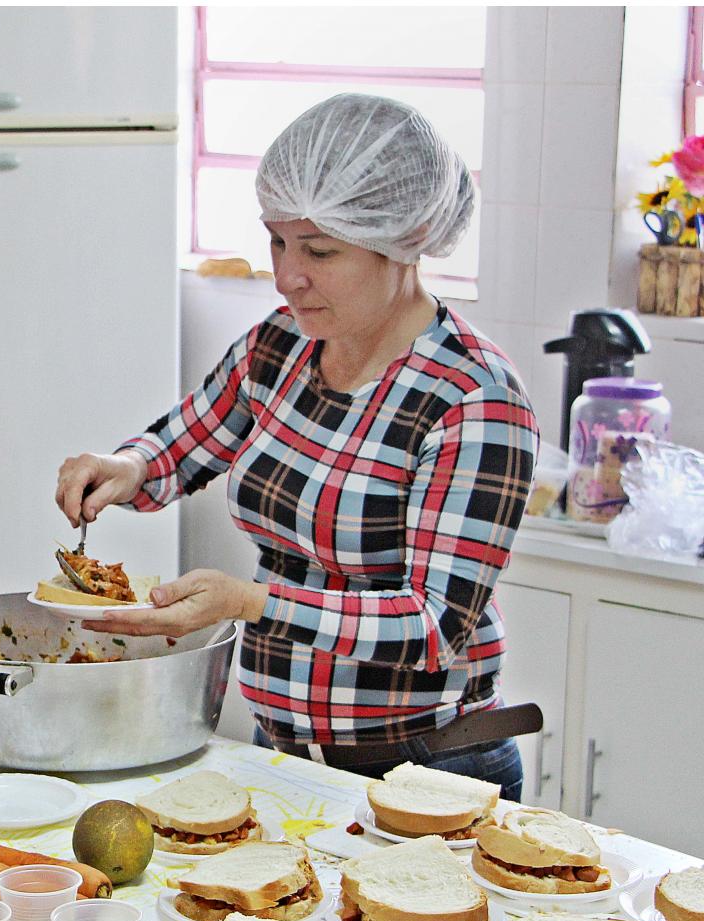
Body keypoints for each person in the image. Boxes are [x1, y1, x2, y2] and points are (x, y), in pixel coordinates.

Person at [55, 94, 538, 798]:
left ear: (406, 240)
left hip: (431, 769)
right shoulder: (281, 343)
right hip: (285, 750)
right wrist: (122, 467)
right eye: (277, 240)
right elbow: (178, 449)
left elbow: (435, 627)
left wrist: (251, 602)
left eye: (319, 251)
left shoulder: (474, 399)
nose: (286, 275)